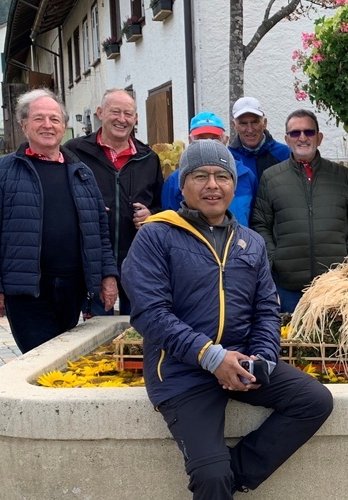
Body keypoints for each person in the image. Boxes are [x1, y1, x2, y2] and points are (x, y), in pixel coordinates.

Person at [122, 140, 333, 498]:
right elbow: (150, 314)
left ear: (233, 185)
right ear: (183, 185)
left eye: (222, 176)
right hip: (181, 372)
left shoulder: (249, 242)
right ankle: (217, 476)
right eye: (200, 175)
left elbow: (266, 309)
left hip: (241, 360)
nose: (212, 185)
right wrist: (211, 356)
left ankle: (233, 474)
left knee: (314, 402)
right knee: (210, 476)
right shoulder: (156, 236)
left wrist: (261, 359)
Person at [0, 88, 118, 354]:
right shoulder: (3, 171)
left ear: (63, 126)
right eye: (39, 118)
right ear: (24, 125)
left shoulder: (81, 172)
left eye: (54, 119)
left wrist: (107, 276)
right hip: (28, 292)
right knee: (42, 359)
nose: (47, 125)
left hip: (73, 288)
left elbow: (99, 231)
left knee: (65, 359)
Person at [251, 109, 348, 313]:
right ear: (287, 139)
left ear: (319, 137)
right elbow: (260, 223)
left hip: (336, 286)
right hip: (289, 288)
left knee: (333, 343)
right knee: (293, 343)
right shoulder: (271, 178)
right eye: (295, 133)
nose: (302, 138)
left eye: (309, 132)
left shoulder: (341, 175)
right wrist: (274, 258)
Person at [64, 89, 163, 317]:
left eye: (128, 113)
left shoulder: (148, 157)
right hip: (92, 259)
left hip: (137, 259)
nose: (122, 119)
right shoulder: (75, 152)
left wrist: (152, 214)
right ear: (100, 113)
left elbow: (161, 206)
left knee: (137, 326)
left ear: (136, 118)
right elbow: (62, 200)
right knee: (94, 331)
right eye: (115, 112)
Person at [227, 97, 292, 225]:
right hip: (242, 232)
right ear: (234, 125)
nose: (250, 129)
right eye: (243, 123)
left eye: (255, 122)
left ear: (265, 123)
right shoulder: (228, 158)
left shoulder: (285, 154)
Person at [160, 110, 230, 212]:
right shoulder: (175, 180)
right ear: (190, 140)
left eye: (215, 139)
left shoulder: (245, 175)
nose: (208, 144)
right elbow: (168, 220)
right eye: (201, 139)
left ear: (226, 140)